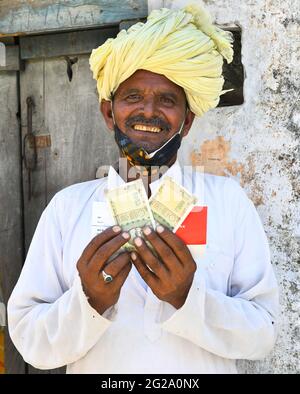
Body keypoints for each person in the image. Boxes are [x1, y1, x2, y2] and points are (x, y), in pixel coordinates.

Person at [8, 4, 278, 374]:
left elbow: (263, 334)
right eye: (133, 97)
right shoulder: (67, 208)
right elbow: (30, 341)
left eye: (167, 100)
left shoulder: (227, 202)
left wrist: (186, 299)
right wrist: (90, 301)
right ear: (109, 113)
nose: (149, 111)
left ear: (186, 123)